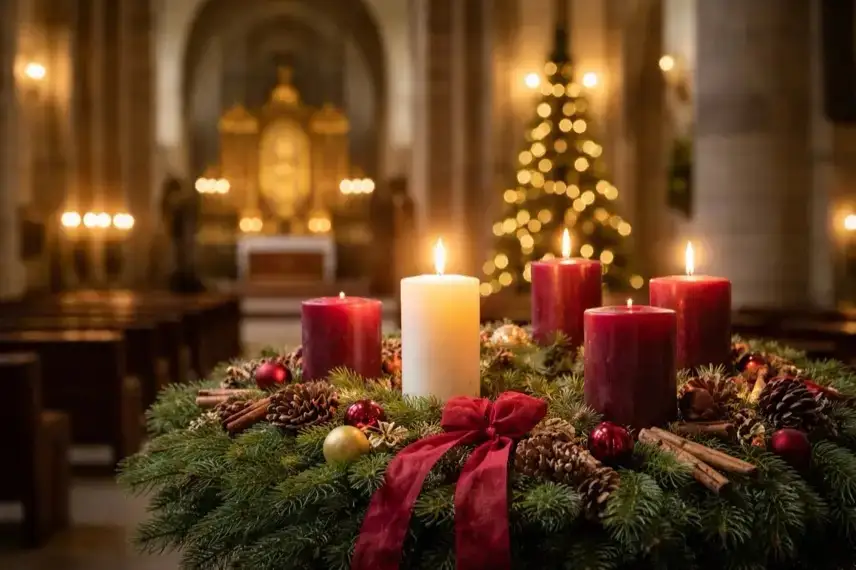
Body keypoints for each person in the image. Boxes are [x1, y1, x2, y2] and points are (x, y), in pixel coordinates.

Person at [161, 174, 204, 293]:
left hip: (183, 235)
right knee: (179, 256)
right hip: (178, 235)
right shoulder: (176, 204)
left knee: (186, 256)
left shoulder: (185, 204)